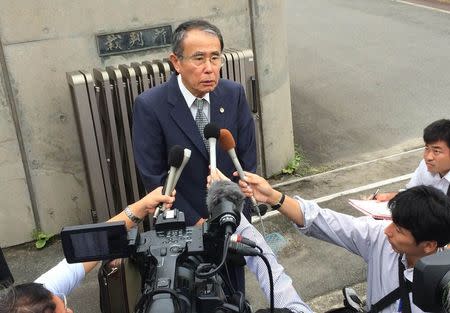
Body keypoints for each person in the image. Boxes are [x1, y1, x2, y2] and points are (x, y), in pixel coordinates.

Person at [210, 169, 450, 313]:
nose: (387, 231)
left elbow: (273, 277)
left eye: (398, 229)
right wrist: (273, 196)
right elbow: (324, 221)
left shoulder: (445, 289)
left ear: (429, 245)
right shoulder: (379, 237)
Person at [132, 19, 257, 227]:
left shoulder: (233, 94)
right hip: (184, 227)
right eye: (199, 58)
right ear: (176, 62)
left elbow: (247, 161)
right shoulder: (150, 105)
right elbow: (156, 179)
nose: (209, 68)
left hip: (234, 218)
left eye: (215, 58)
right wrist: (200, 225)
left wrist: (236, 211)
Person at [0, 187, 175, 313]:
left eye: (64, 304)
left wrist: (142, 206)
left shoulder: (30, 301)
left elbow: (84, 255)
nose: (70, 312)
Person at [374, 119, 450, 201]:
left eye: (436, 151)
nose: (428, 157)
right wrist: (387, 197)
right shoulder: (425, 165)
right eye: (427, 148)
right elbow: (411, 194)